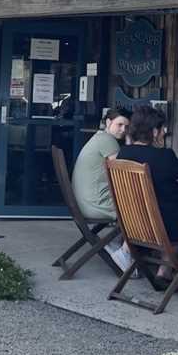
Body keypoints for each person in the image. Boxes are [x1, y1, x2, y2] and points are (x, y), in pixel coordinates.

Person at [117, 105, 178, 281]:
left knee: (172, 210)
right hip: (166, 227)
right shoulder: (164, 156)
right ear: (154, 132)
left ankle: (164, 271)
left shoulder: (123, 154)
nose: (163, 133)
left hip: (135, 226)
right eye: (162, 129)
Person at [71, 107, 132, 269]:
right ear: (108, 122)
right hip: (95, 205)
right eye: (119, 125)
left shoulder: (99, 138)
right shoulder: (108, 141)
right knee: (140, 210)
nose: (123, 130)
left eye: (127, 127)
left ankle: (116, 243)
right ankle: (126, 255)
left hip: (82, 203)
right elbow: (122, 172)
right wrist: (130, 142)